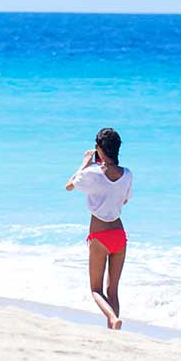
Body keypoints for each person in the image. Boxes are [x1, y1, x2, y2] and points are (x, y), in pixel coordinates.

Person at [65, 127, 131, 329]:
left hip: (100, 236)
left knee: (96, 289)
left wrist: (84, 163)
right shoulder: (127, 174)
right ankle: (113, 331)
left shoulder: (92, 173)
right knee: (113, 291)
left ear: (99, 149)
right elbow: (125, 200)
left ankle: (112, 319)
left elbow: (69, 185)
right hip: (119, 235)